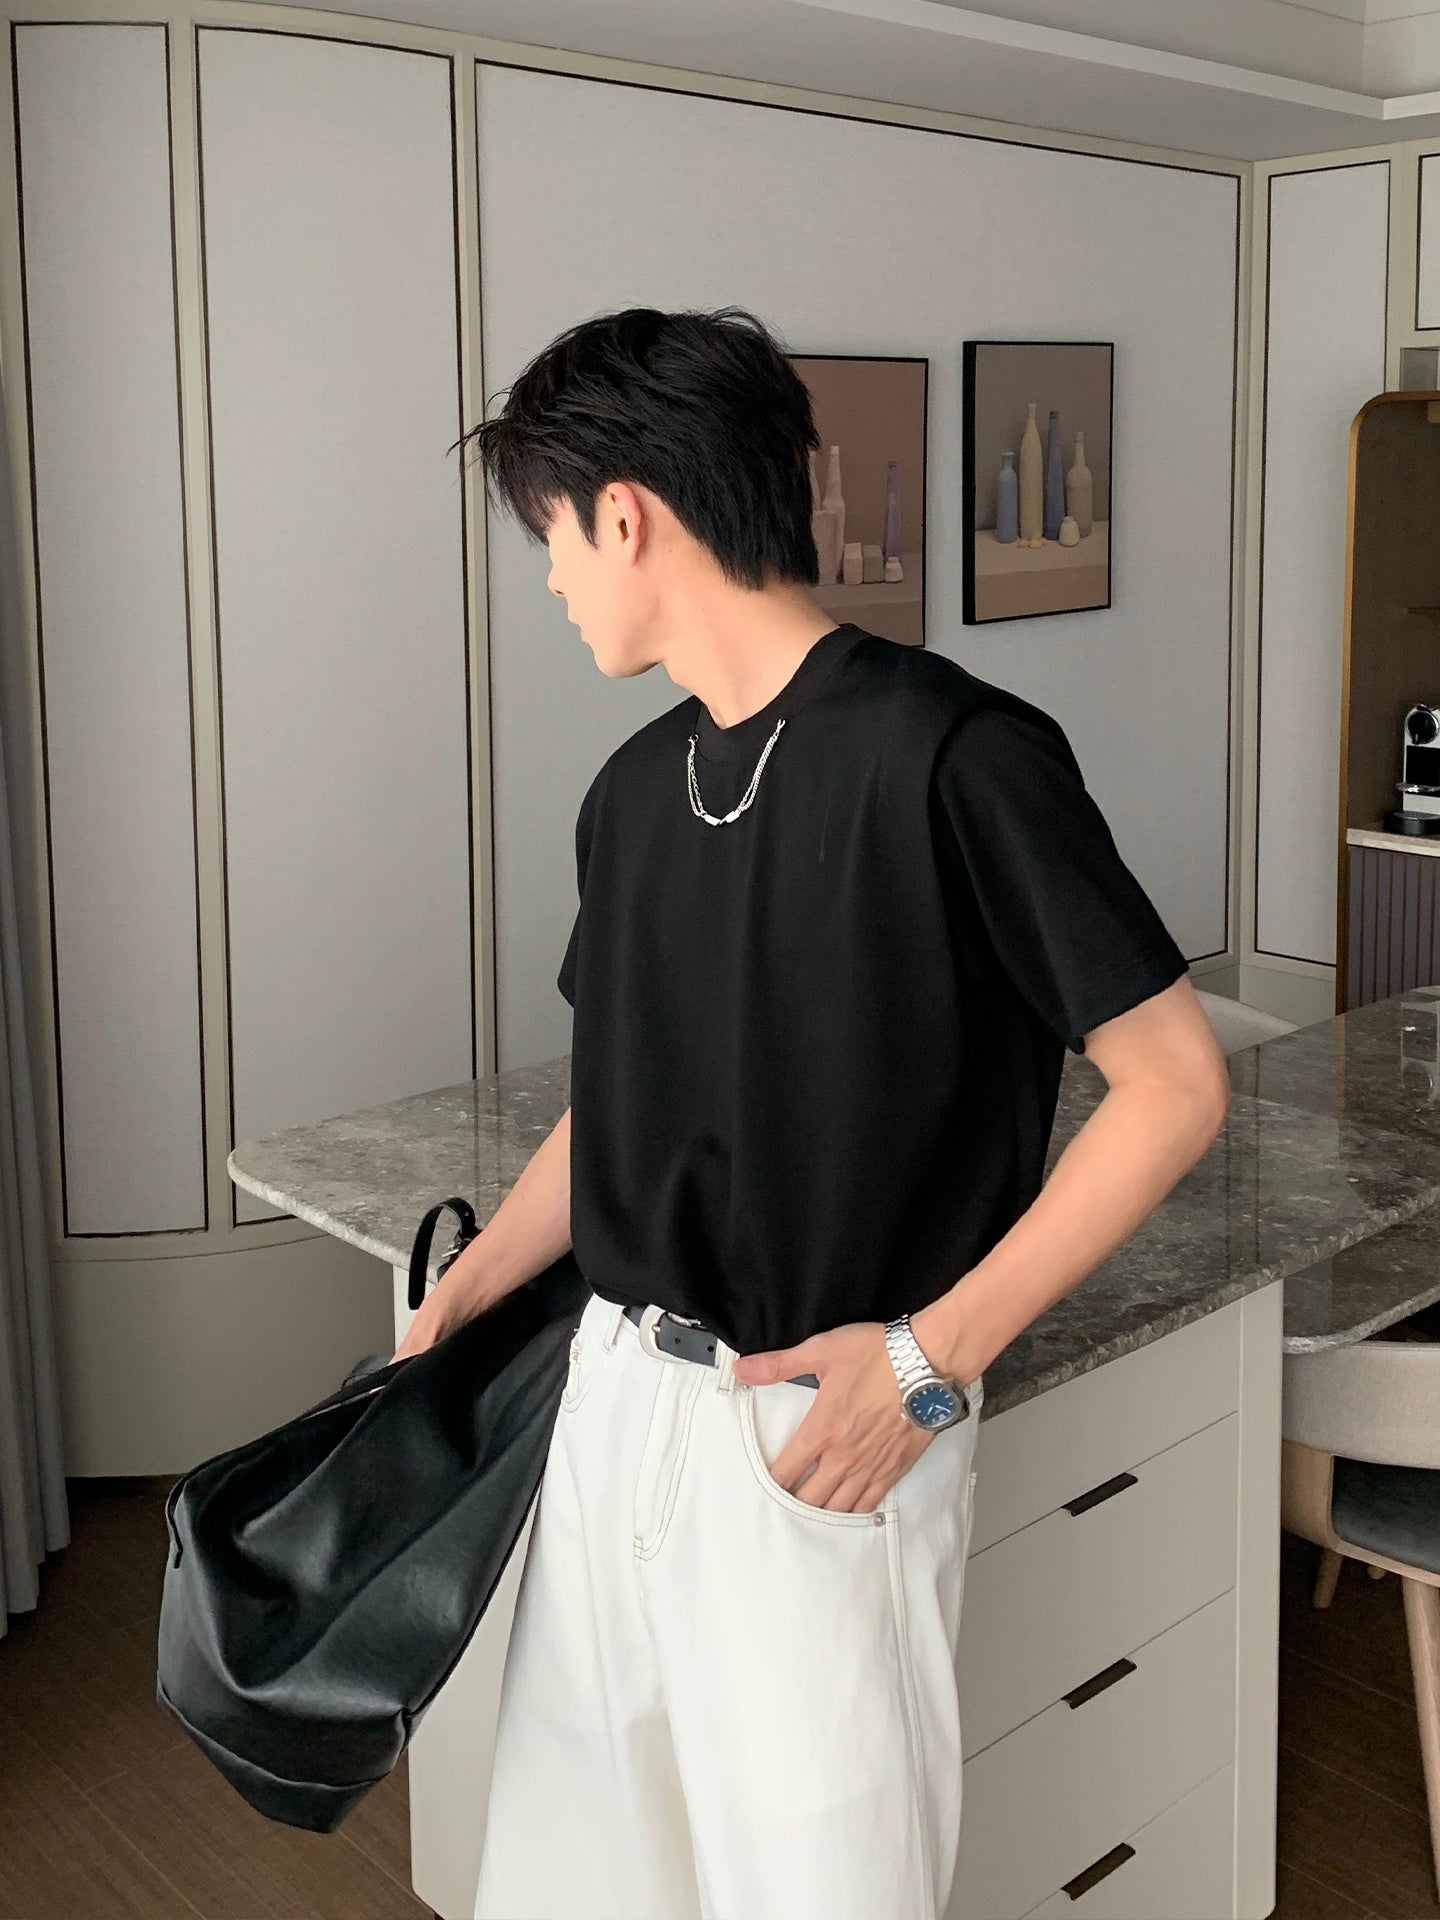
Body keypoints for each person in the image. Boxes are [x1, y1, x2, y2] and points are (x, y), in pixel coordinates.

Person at [395, 305, 1231, 1920]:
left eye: (549, 539)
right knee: (578, 1886)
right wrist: (475, 1286)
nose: (552, 581)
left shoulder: (960, 756)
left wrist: (930, 1363)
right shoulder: (630, 796)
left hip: (816, 1434)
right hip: (613, 1409)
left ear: (624, 515)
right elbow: (618, 1100)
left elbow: (1176, 1086)